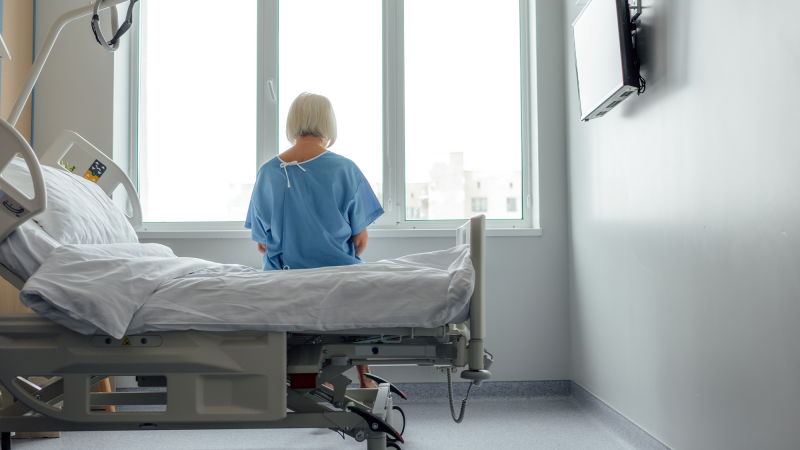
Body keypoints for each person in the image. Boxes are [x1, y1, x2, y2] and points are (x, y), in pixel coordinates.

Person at [245, 92, 384, 388]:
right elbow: (359, 240)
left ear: (293, 122)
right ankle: (365, 378)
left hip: (284, 278)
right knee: (353, 307)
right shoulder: (345, 168)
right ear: (328, 123)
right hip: (335, 274)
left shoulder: (268, 171)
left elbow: (261, 242)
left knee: (297, 321)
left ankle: (316, 376)